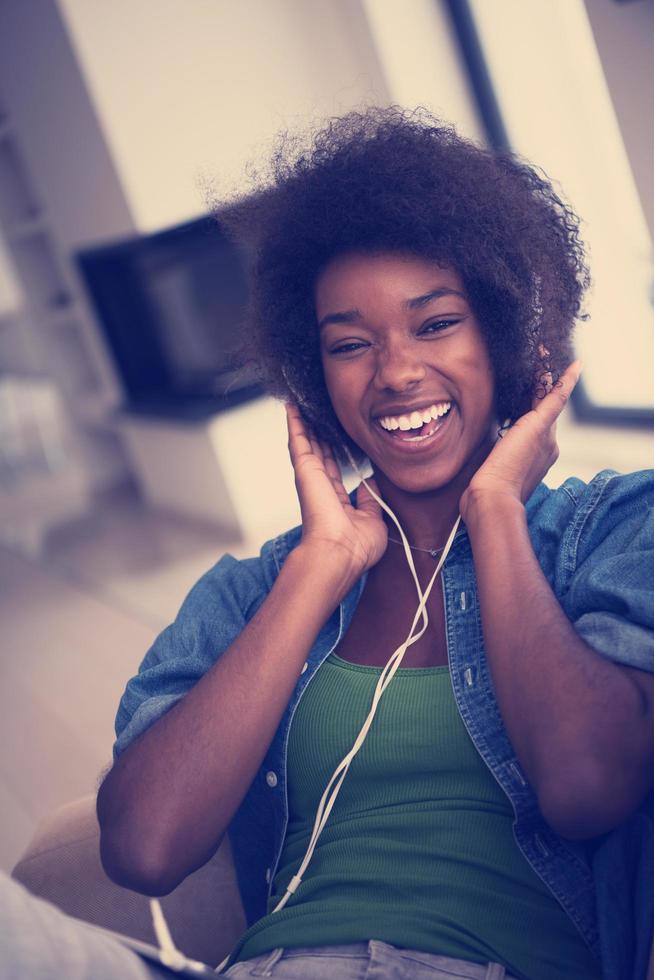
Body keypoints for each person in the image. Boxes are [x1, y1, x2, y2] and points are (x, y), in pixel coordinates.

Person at [3, 107, 654, 980]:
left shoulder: (610, 530)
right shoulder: (256, 589)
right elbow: (145, 847)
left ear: (503, 336)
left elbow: (585, 786)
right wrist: (322, 565)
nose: (394, 372)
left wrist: (496, 507)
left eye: (435, 324)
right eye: (350, 344)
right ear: (313, 375)